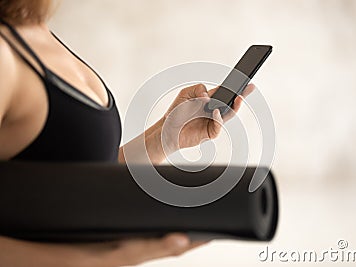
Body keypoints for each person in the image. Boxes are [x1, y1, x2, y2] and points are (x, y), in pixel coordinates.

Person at [0, 0, 254, 266]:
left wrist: (165, 137)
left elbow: (78, 186)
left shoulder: (38, 32)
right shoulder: (5, 52)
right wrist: (107, 259)